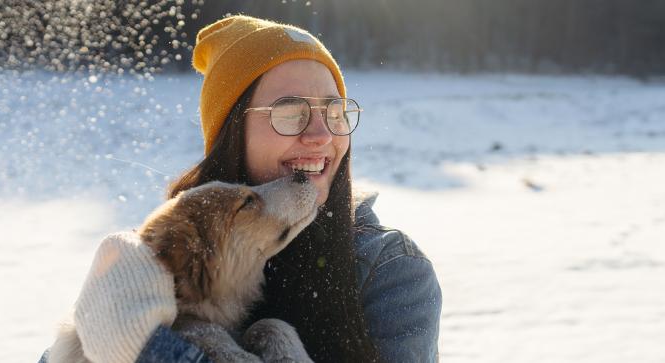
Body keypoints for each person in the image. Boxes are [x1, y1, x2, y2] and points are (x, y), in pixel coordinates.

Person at [41, 15, 441, 363]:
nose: (322, 135)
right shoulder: (159, 259)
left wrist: (148, 349)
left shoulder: (390, 271)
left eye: (335, 112)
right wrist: (90, 334)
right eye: (291, 112)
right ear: (232, 131)